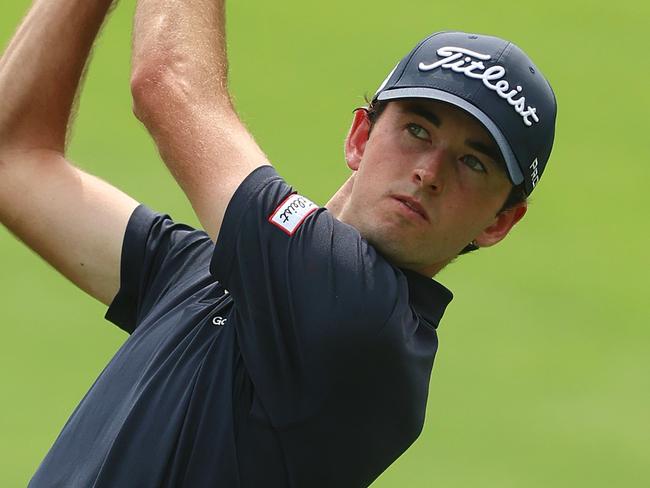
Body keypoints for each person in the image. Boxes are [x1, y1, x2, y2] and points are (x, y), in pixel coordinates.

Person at [0, 0, 556, 486]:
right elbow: (13, 158)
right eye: (417, 129)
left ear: (498, 224)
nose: (430, 172)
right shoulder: (230, 274)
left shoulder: (359, 319)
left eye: (473, 162)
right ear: (361, 137)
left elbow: (169, 83)